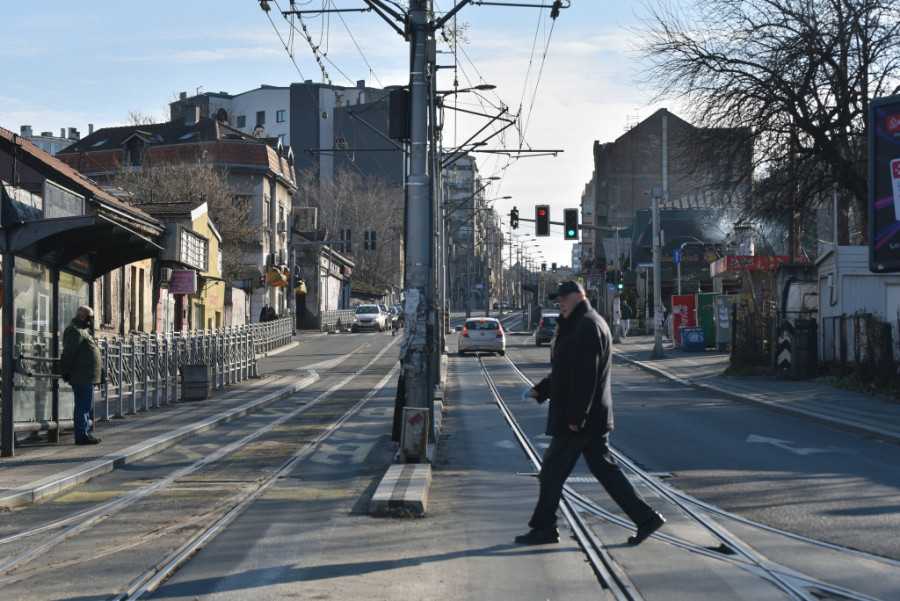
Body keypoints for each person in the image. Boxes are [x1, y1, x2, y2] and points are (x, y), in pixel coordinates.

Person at [516, 281, 665, 546]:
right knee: (604, 470)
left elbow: (586, 376)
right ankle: (645, 518)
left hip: (578, 419)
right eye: (558, 299)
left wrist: (577, 417)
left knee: (551, 472)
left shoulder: (586, 326)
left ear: (579, 296)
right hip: (588, 417)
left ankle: (545, 527)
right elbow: (566, 371)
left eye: (564, 298)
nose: (560, 303)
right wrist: (541, 390)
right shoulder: (578, 323)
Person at [59, 305, 103, 445]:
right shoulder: (75, 330)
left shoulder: (83, 329)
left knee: (86, 406)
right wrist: (65, 370)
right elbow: (69, 352)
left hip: (87, 375)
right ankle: (81, 435)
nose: (91, 319)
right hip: (81, 375)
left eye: (92, 316)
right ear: (80, 316)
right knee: (82, 406)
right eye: (89, 316)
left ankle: (86, 433)